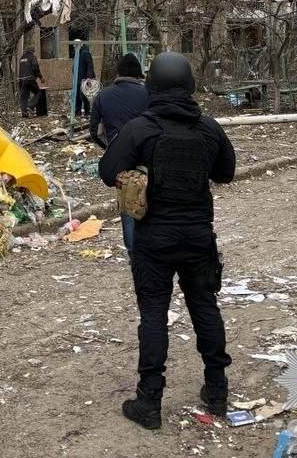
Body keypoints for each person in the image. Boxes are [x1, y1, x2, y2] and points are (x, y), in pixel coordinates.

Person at [98, 51, 235, 430]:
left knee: (154, 315)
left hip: (153, 239)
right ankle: (218, 390)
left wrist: (141, 172)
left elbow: (107, 170)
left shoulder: (140, 129)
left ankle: (149, 402)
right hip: (197, 236)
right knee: (205, 308)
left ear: (151, 86)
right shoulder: (209, 128)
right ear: (190, 86)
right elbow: (227, 172)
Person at [90, 53, 150, 251]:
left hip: (121, 161)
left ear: (118, 73)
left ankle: (134, 252)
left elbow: (95, 132)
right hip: (149, 157)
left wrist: (111, 149)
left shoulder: (103, 95)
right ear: (138, 74)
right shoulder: (149, 93)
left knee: (128, 203)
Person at [17, 48, 47, 118]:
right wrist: (41, 77)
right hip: (30, 79)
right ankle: (30, 106)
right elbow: (35, 68)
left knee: (24, 97)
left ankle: (24, 113)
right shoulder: (32, 57)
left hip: (21, 80)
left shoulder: (21, 58)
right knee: (38, 92)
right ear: (32, 51)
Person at [74, 41, 95, 117]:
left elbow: (90, 65)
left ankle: (87, 112)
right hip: (78, 78)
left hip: (84, 79)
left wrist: (88, 78)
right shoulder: (77, 54)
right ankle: (77, 112)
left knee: (84, 95)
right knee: (77, 96)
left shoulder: (85, 53)